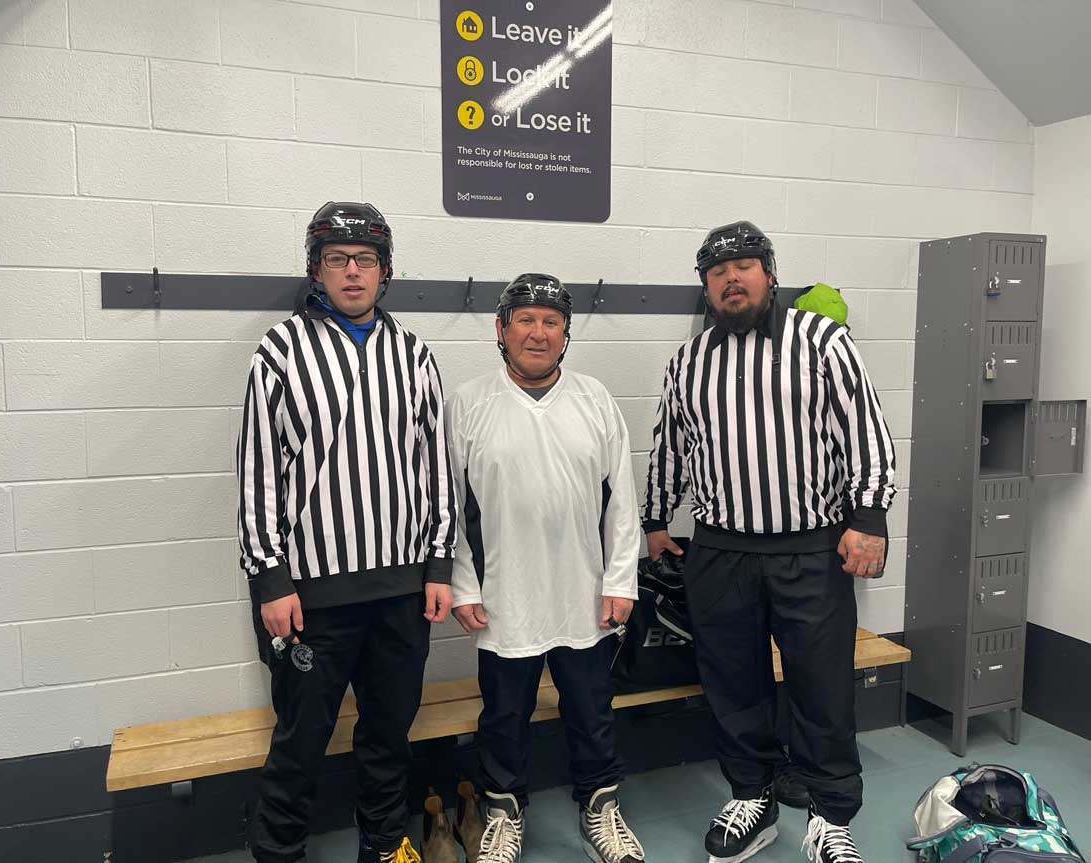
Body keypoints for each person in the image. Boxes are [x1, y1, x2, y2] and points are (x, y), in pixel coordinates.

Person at [642, 222, 896, 863]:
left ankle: (830, 814)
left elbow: (866, 431)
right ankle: (751, 794)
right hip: (720, 551)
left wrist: (869, 518)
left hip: (811, 550)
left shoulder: (823, 341)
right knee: (732, 683)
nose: (733, 278)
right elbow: (672, 446)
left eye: (745, 265)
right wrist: (653, 521)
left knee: (822, 684)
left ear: (770, 272)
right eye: (718, 271)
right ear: (706, 287)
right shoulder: (690, 359)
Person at [237, 201, 457, 863]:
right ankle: (279, 851)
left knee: (389, 734)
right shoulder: (278, 350)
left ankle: (385, 844)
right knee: (301, 739)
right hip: (309, 597)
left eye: (364, 260)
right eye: (338, 259)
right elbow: (256, 473)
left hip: (400, 592)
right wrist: (270, 578)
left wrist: (440, 563)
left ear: (384, 271)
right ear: (317, 268)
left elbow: (436, 465)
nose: (352, 271)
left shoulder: (414, 354)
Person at [447, 273, 646, 863]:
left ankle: (601, 808)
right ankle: (503, 811)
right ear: (501, 330)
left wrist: (620, 582)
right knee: (503, 715)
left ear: (565, 334)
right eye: (525, 320)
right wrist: (462, 584)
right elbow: (447, 508)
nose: (538, 332)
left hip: (582, 596)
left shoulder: (594, 399)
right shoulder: (468, 403)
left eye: (551, 321)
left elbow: (623, 503)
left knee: (592, 712)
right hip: (503, 598)